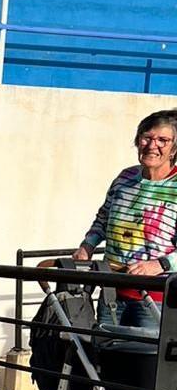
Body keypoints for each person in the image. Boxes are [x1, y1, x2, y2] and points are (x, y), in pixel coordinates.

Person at [74, 111, 177, 330]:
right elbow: (103, 218)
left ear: (174, 149)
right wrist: (87, 246)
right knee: (106, 352)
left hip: (156, 297)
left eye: (163, 140)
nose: (152, 145)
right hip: (111, 289)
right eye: (146, 137)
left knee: (144, 358)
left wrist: (158, 265)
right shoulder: (125, 178)